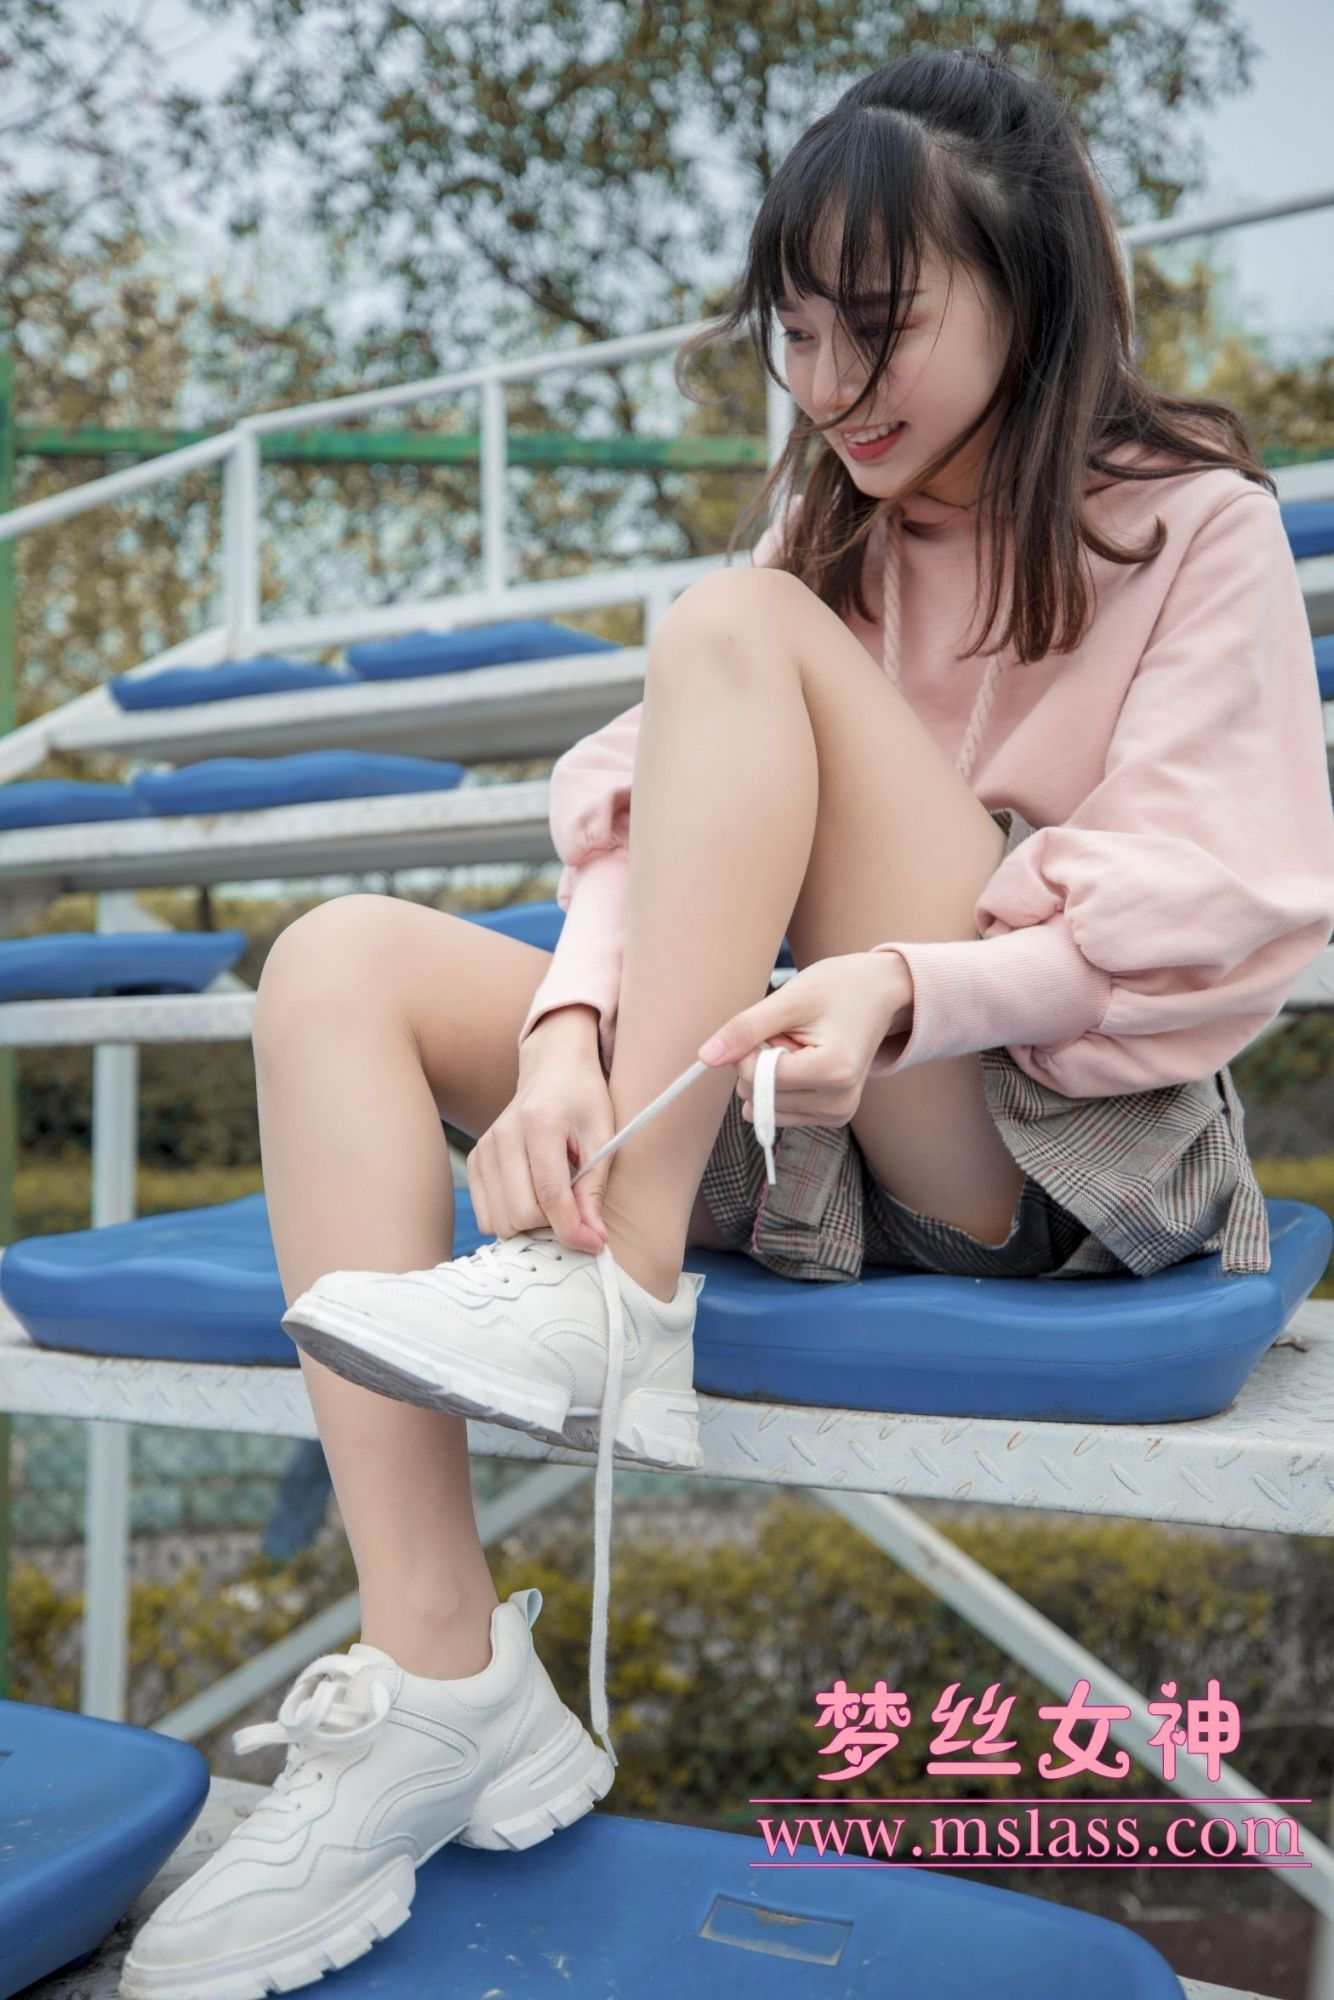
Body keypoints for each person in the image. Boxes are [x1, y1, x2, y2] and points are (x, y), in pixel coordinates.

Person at [120, 45, 1334, 2000]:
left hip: (1036, 1136)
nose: (830, 384)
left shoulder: (1188, 525)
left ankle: (614, 1289)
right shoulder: (826, 537)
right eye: (795, 332)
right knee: (334, 960)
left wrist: (913, 984)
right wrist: (561, 1037)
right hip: (799, 1106)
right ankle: (442, 1680)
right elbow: (646, 823)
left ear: (1028, 284)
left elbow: (1226, 899)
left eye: (879, 323)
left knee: (732, 628)